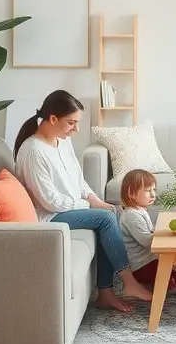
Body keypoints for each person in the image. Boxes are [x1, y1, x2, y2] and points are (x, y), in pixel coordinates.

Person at [14, 90, 152, 313]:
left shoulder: (62, 141)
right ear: (52, 119)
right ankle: (129, 282)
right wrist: (88, 205)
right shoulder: (33, 151)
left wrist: (94, 198)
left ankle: (106, 293)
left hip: (67, 209)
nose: (76, 129)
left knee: (110, 211)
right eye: (72, 123)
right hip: (49, 217)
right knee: (106, 218)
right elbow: (50, 201)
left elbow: (79, 180)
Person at [119, 168, 176, 291]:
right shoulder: (132, 215)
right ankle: (147, 283)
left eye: (154, 189)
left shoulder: (139, 211)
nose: (153, 194)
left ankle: (153, 282)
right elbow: (147, 241)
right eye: (148, 191)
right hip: (142, 267)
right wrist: (164, 232)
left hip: (149, 261)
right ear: (131, 193)